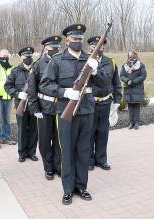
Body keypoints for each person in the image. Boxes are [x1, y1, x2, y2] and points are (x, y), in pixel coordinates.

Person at [40, 24, 108, 205]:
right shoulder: (57, 61)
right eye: (75, 38)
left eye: (80, 39)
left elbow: (105, 85)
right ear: (67, 39)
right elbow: (45, 84)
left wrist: (96, 72)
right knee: (67, 151)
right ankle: (68, 190)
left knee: (84, 150)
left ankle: (81, 187)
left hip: (87, 111)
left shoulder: (90, 60)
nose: (78, 41)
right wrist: (64, 92)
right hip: (65, 112)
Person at [28, 36, 62, 180]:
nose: (56, 49)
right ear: (46, 48)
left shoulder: (62, 62)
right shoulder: (38, 65)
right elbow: (32, 88)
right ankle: (48, 167)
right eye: (53, 47)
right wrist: (35, 108)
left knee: (59, 139)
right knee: (44, 140)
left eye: (57, 47)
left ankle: (58, 166)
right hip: (44, 108)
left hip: (60, 107)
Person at [87, 36, 122, 171]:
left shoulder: (110, 62)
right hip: (90, 102)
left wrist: (117, 100)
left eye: (101, 45)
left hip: (106, 102)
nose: (99, 48)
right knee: (89, 132)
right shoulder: (85, 61)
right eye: (96, 45)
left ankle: (101, 159)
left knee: (103, 132)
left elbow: (116, 82)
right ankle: (89, 160)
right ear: (91, 47)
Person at [5, 47, 38, 162]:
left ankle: (32, 152)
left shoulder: (36, 69)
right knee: (22, 129)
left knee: (34, 129)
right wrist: (18, 94)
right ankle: (22, 153)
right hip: (20, 104)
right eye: (25, 55)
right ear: (21, 57)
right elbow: (8, 86)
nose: (28, 57)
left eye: (30, 55)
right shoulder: (15, 71)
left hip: (34, 105)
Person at [120, 50, 147, 130]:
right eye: (129, 55)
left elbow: (143, 76)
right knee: (130, 106)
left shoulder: (141, 65)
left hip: (137, 89)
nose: (131, 56)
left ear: (136, 55)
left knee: (136, 106)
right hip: (128, 89)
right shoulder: (125, 65)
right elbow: (121, 75)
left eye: (132, 55)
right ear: (128, 56)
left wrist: (133, 81)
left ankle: (137, 123)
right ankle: (131, 123)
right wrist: (127, 81)